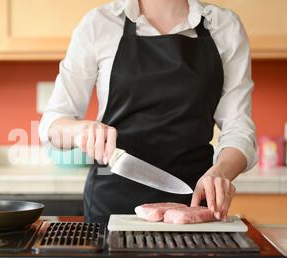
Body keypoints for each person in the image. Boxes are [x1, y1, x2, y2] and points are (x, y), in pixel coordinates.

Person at [39, 0, 257, 223]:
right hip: (111, 202)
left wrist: (220, 172)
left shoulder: (224, 26)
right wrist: (78, 130)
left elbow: (238, 128)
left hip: (193, 200)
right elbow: (52, 125)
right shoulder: (99, 23)